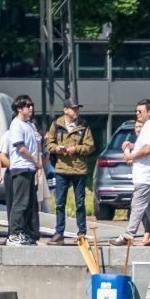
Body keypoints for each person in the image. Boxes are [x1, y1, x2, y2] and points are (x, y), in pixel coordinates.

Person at [44, 98, 94, 245]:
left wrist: (76, 149)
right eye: (74, 108)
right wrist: (56, 149)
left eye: (78, 108)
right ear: (65, 110)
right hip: (61, 169)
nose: (77, 111)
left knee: (80, 203)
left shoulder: (84, 125)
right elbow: (49, 143)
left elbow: (90, 146)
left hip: (79, 170)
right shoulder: (56, 125)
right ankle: (59, 233)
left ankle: (82, 233)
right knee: (60, 203)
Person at [114, 98, 150, 247]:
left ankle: (128, 235)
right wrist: (132, 146)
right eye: (136, 111)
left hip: (145, 176)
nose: (137, 113)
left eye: (140, 111)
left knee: (137, 206)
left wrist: (131, 156)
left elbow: (147, 149)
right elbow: (143, 146)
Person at [2, 95, 42, 246]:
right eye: (28, 106)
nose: (31, 108)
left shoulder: (30, 125)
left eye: (32, 105)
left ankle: (24, 233)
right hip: (21, 168)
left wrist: (37, 164)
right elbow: (21, 148)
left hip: (29, 168)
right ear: (19, 108)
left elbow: (37, 145)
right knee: (19, 203)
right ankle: (14, 234)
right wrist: (36, 162)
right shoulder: (16, 125)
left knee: (29, 204)